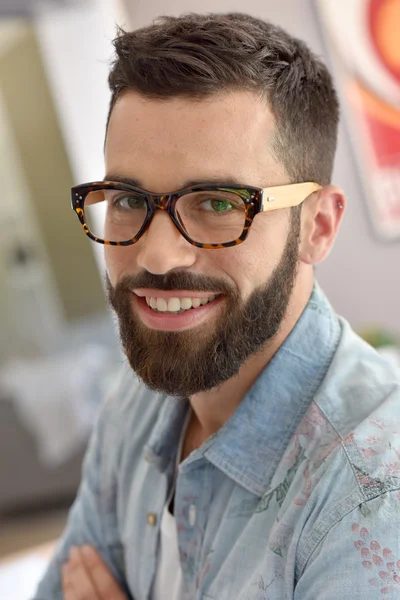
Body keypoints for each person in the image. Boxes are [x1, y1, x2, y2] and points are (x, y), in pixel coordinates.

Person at [34, 12, 400, 600]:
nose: (156, 256)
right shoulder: (137, 403)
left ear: (319, 226)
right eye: (129, 198)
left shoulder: (374, 493)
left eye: (219, 203)